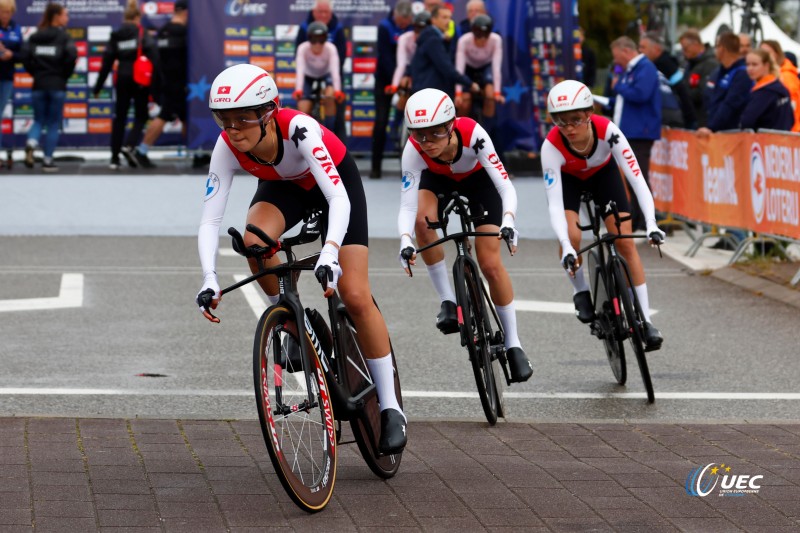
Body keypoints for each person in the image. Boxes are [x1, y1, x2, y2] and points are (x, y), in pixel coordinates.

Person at [197, 64, 406, 454]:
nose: (233, 128)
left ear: (269, 113)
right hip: (283, 189)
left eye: (243, 117)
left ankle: (392, 408)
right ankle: (291, 316)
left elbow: (337, 198)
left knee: (355, 294)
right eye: (224, 119)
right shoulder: (226, 147)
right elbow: (210, 217)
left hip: (335, 188)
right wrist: (209, 276)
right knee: (253, 242)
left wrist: (330, 252)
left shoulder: (300, 130)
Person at [396, 88, 533, 384]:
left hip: (479, 181)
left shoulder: (474, 135)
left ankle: (513, 343)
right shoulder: (414, 149)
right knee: (423, 222)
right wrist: (405, 240)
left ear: (451, 125)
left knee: (490, 263)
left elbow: (505, 186)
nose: (426, 142)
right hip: (437, 180)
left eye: (435, 133)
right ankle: (447, 300)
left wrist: (508, 222)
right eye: (419, 134)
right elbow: (407, 204)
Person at [539, 80, 665, 350]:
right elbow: (553, 204)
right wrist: (565, 246)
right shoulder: (550, 147)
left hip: (603, 177)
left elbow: (637, 179)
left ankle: (644, 319)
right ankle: (581, 290)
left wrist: (652, 223)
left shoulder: (609, 131)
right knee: (572, 236)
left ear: (589, 114)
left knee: (625, 242)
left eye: (576, 120)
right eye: (562, 122)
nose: (570, 128)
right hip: (569, 181)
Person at [602, 36, 661, 232]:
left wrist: (618, 87)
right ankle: (636, 218)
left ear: (626, 51)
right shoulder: (631, 70)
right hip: (628, 131)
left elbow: (641, 94)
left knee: (638, 177)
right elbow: (625, 99)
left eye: (617, 56)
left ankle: (647, 219)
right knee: (629, 178)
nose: (616, 61)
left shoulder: (646, 68)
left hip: (640, 133)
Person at [92, 0, 159, 170]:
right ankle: (129, 146)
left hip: (121, 78)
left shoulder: (116, 34)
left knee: (119, 118)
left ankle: (114, 158)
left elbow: (106, 62)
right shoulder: (142, 33)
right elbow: (155, 58)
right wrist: (159, 84)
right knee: (141, 116)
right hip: (140, 80)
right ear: (138, 17)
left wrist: (98, 87)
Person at [20, 1, 76, 172]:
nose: (68, 18)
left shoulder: (35, 36)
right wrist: (62, 76)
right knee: (53, 123)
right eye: (65, 14)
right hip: (57, 85)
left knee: (38, 120)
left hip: (39, 84)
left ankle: (31, 143)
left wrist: (36, 73)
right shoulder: (64, 37)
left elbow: (25, 57)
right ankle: (47, 161)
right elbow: (72, 57)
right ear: (56, 17)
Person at [132, 0, 188, 168]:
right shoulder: (185, 32)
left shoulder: (163, 30)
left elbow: (159, 59)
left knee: (186, 117)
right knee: (165, 115)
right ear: (185, 12)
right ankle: (141, 151)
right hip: (180, 82)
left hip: (165, 80)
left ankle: (196, 151)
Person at [371, 0, 413, 179]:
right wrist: (394, 82)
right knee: (381, 121)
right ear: (395, 16)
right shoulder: (385, 26)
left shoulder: (414, 28)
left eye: (405, 22)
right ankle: (375, 167)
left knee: (412, 121)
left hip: (407, 79)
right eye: (400, 21)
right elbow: (386, 56)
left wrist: (406, 77)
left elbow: (415, 55)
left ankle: (410, 168)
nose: (402, 25)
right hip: (385, 79)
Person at [295, 0, 346, 139]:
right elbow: (300, 68)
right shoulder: (303, 46)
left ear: (326, 39)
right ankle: (306, 138)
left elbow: (336, 70)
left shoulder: (331, 46)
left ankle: (329, 136)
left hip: (326, 73)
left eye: (321, 39)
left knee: (330, 97)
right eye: (313, 39)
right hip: (308, 75)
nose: (317, 43)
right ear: (308, 38)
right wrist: (299, 89)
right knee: (303, 106)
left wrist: (337, 90)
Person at [409, 5, 478, 99]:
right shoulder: (432, 40)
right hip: (429, 94)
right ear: (433, 20)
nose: (448, 21)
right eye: (444, 17)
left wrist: (448, 41)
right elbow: (446, 67)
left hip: (431, 92)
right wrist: (469, 83)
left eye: (450, 17)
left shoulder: (439, 38)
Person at [454, 14, 504, 136]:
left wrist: (497, 93)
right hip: (468, 68)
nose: (481, 40)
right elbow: (459, 69)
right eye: (478, 36)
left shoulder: (496, 40)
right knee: (464, 101)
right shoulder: (464, 40)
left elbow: (496, 68)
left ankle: (487, 133)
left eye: (484, 36)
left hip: (485, 67)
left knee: (490, 95)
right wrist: (458, 93)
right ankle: (459, 132)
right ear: (473, 32)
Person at [696, 32, 752, 138]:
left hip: (731, 136)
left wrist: (711, 128)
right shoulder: (719, 72)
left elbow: (730, 104)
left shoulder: (742, 73)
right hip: (716, 134)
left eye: (717, 47)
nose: (715, 51)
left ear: (722, 49)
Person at [639, 31, 697, 129]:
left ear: (656, 49)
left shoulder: (667, 65)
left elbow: (682, 91)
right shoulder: (649, 65)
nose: (640, 51)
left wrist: (689, 120)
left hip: (677, 122)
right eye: (639, 47)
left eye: (643, 47)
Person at [740, 49, 794, 132]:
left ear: (766, 65)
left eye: (754, 65)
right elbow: (791, 119)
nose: (750, 68)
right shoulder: (780, 88)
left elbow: (747, 121)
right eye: (747, 64)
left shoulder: (764, 92)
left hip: (762, 141)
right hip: (782, 141)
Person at [388, 10, 430, 108]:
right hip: (410, 73)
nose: (418, 32)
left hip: (427, 76)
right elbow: (401, 64)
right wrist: (395, 85)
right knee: (403, 97)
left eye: (422, 28)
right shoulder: (404, 38)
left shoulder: (433, 39)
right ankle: (398, 122)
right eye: (416, 28)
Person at [678, 29, 719, 128]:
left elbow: (703, 93)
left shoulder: (710, 64)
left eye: (685, 48)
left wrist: (682, 93)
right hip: (688, 117)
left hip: (701, 120)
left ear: (695, 44)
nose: (684, 52)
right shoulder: (687, 63)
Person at [759, 40, 800, 132]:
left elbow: (792, 109)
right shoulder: (770, 76)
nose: (763, 56)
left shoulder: (786, 77)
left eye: (767, 53)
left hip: (789, 135)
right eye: (761, 53)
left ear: (777, 54)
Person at [0, 0, 21, 169]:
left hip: (6, 77)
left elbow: (23, 52)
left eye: (8, 12)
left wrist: (11, 54)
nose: (5, 15)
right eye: (2, 12)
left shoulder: (16, 28)